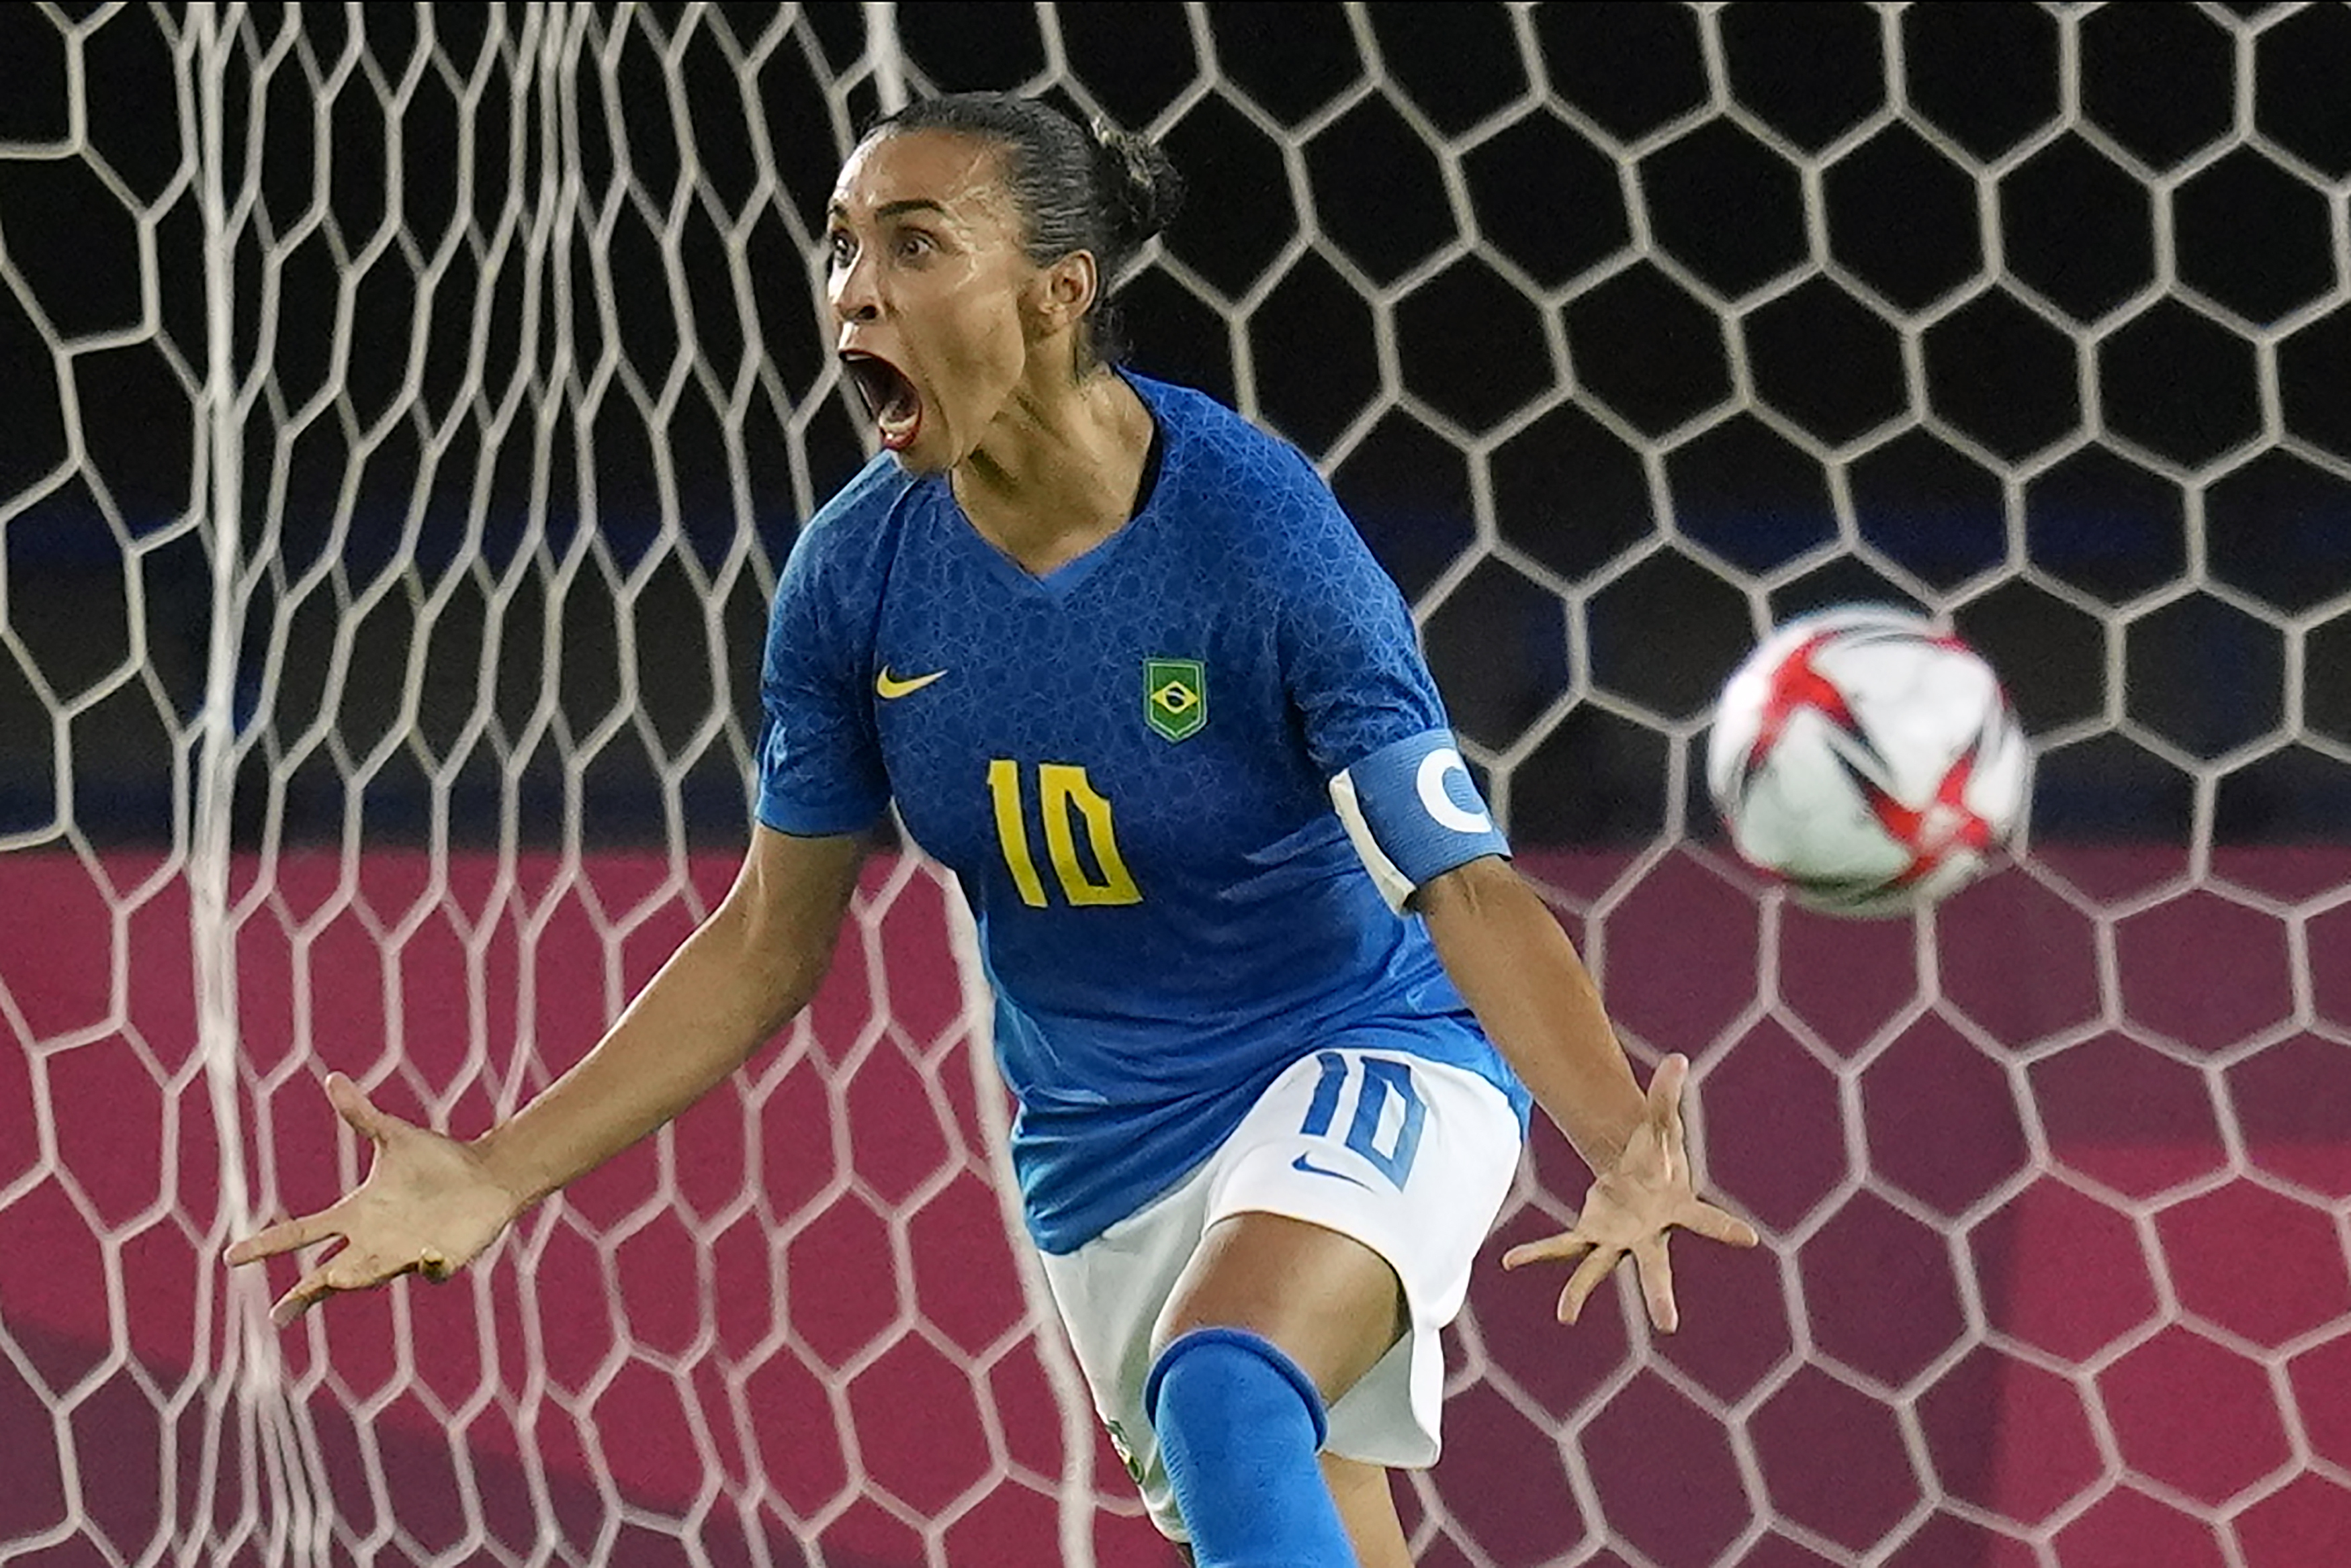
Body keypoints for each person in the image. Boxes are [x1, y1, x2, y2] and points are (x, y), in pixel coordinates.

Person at [226, 93, 1757, 1567]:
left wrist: (1617, 1133)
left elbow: (1465, 885)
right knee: (1296, 1494)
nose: (854, 293)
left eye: (912, 245)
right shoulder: (855, 579)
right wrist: (494, 1169)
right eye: (839, 247)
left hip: (1357, 1043)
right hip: (1106, 1151)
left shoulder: (1255, 534)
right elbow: (769, 941)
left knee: (1228, 1383)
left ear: (1056, 292)